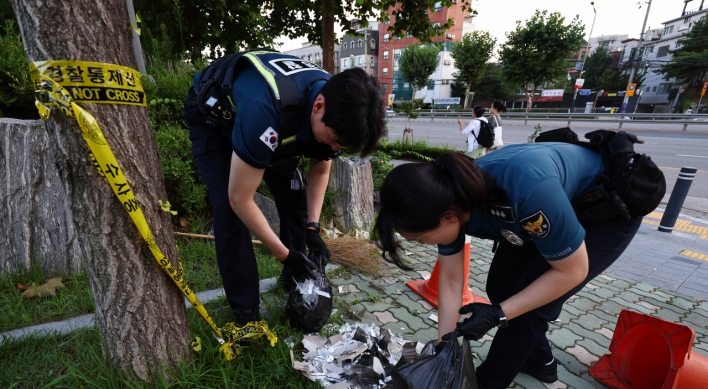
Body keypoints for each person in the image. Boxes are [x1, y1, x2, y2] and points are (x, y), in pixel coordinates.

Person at [373, 146, 641, 388]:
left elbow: (572, 271)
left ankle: (487, 383)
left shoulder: (523, 196)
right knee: (500, 287)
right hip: (546, 211)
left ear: (450, 218)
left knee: (528, 310)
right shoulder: (449, 200)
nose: (422, 244)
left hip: (606, 206)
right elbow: (452, 279)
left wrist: (497, 315)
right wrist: (447, 347)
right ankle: (539, 362)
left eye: (420, 238)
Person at [183, 50, 386, 326]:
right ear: (318, 107)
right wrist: (284, 254)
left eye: (342, 145)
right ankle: (247, 312)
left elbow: (321, 165)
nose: (335, 148)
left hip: (273, 123)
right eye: (335, 139)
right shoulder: (265, 111)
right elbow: (240, 199)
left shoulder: (338, 103)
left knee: (294, 197)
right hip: (214, 114)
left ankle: (295, 280)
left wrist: (312, 228)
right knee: (229, 213)